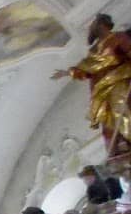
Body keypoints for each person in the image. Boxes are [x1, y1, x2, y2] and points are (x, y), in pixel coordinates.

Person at [55, 14, 131, 158]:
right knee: (107, 117)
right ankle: (117, 146)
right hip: (101, 88)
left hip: (118, 80)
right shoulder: (94, 49)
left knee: (120, 109)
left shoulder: (118, 38)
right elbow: (87, 70)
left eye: (94, 24)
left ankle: (127, 138)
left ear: (102, 25)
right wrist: (67, 73)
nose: (91, 28)